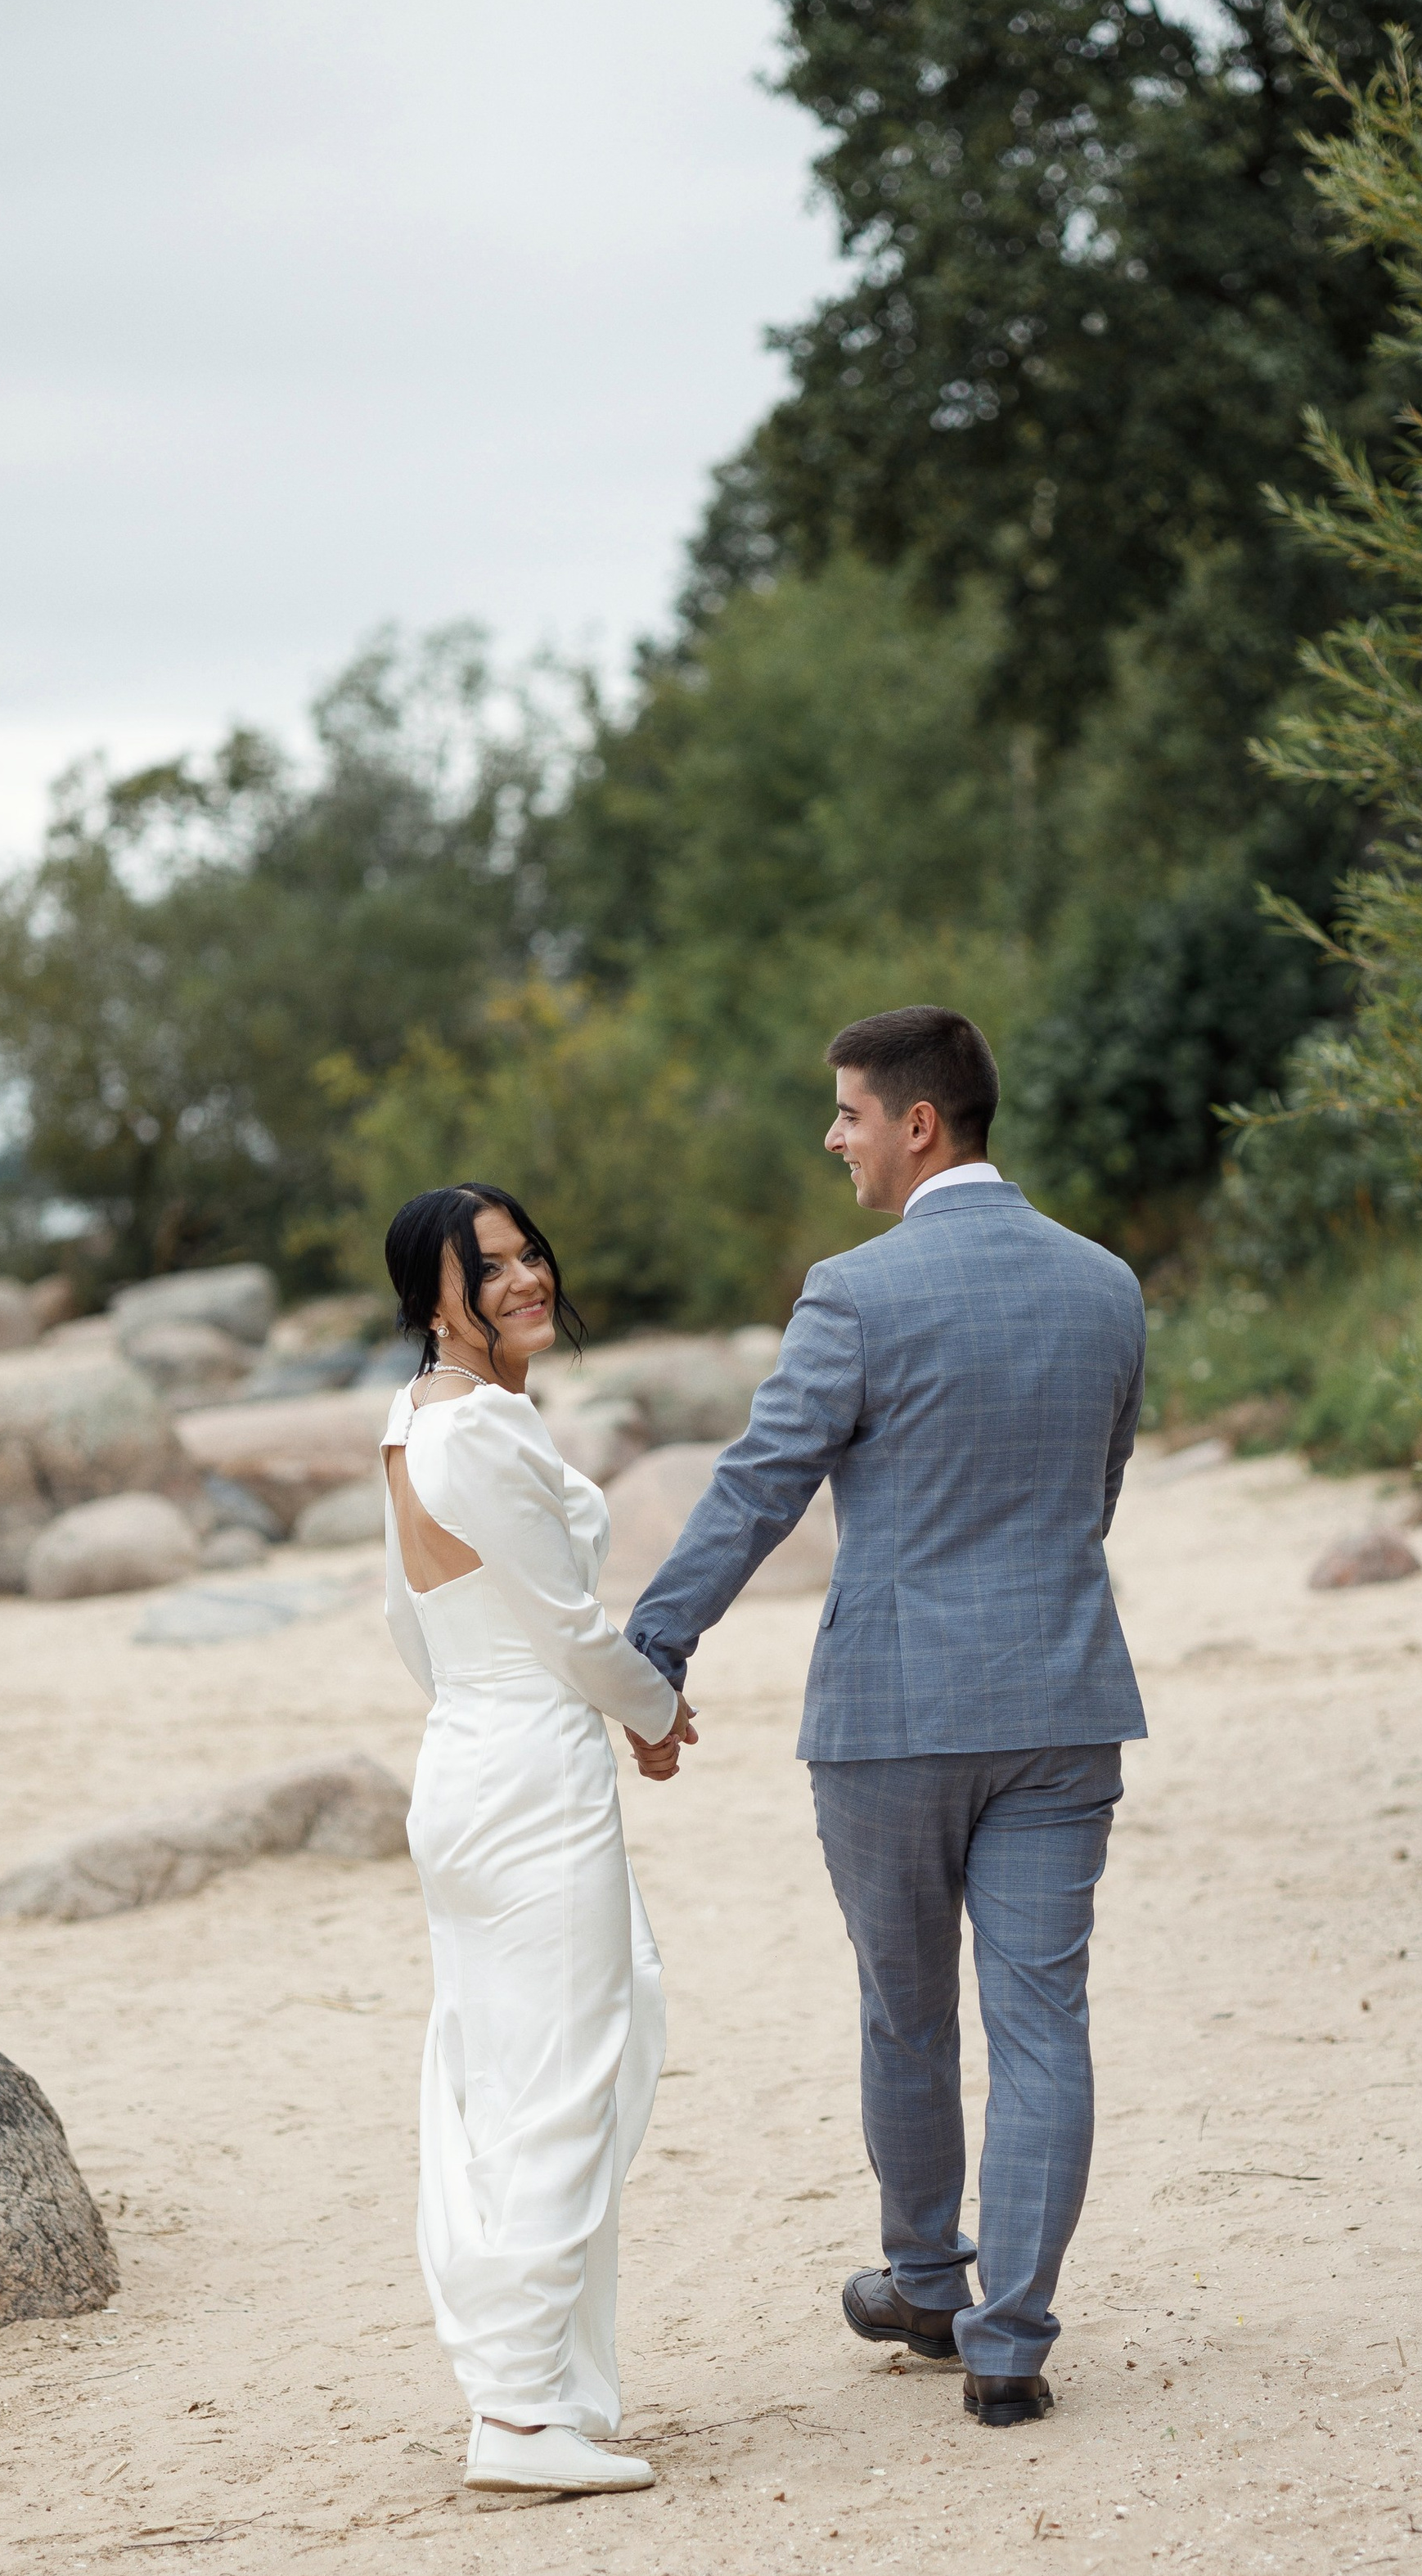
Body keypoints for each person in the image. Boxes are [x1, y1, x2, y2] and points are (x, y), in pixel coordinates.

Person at [628, 1007, 1145, 2426]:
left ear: (921, 1124)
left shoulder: (854, 1294)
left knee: (906, 2015)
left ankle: (927, 2280)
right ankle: (1010, 2339)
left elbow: (757, 1485)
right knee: (1044, 2023)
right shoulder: (1106, 1283)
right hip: (1061, 1697)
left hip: (892, 1716)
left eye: (849, 1112)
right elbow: (1093, 1496)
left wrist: (653, 1649)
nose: (835, 1136)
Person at [379, 1183, 695, 2500]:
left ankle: (541, 2389)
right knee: (566, 2073)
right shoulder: (487, 1433)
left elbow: (410, 1624)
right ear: (431, 1299)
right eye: (486, 1268)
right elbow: (572, 1629)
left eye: (529, 1254)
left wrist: (490, 1707)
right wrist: (657, 1714)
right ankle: (515, 2416)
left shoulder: (412, 1423)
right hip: (527, 1769)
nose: (525, 1279)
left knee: (508, 2073)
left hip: (464, 1757)